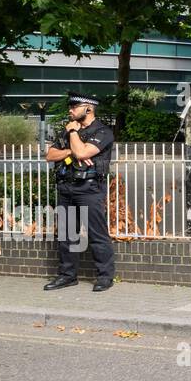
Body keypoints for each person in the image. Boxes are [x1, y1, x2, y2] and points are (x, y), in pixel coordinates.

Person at [42, 92, 116, 291]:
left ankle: (104, 277)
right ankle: (67, 276)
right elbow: (49, 155)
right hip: (66, 187)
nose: (70, 110)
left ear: (88, 109)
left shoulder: (103, 132)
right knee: (66, 235)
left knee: (97, 234)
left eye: (75, 107)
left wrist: (74, 136)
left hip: (90, 189)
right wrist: (70, 151)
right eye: (71, 107)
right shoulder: (66, 131)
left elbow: (83, 153)